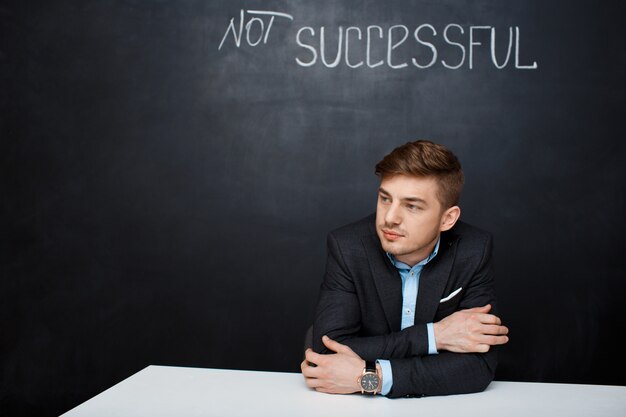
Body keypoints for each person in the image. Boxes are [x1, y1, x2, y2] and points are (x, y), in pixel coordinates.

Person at [301, 140, 509, 398]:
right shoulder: (348, 247)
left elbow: (478, 367)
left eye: (412, 206)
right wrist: (434, 336)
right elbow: (327, 355)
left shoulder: (473, 250)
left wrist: (374, 377)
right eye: (385, 198)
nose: (390, 217)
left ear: (448, 219)